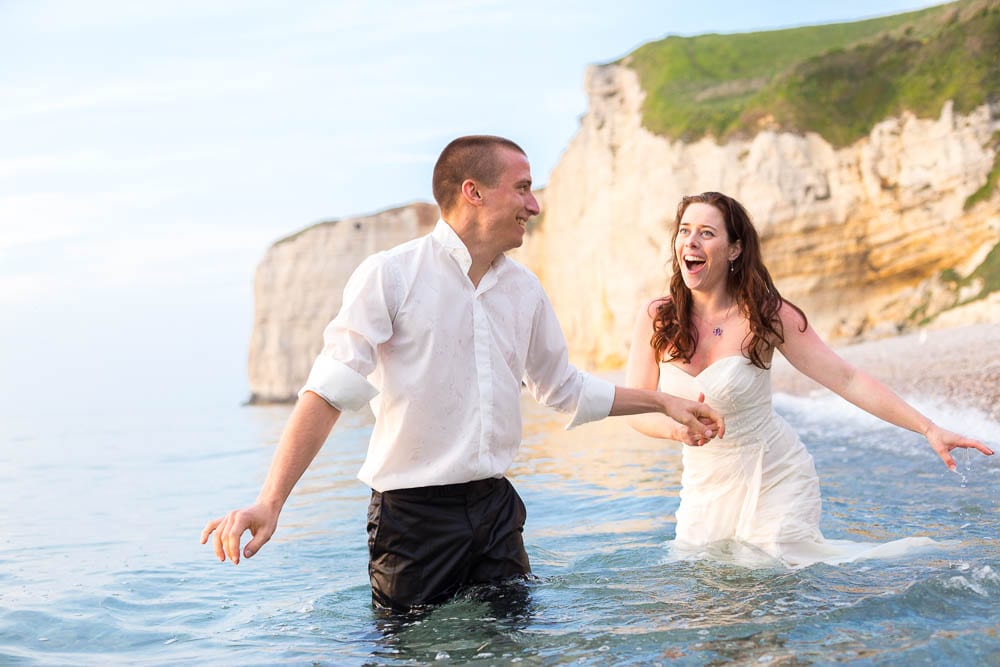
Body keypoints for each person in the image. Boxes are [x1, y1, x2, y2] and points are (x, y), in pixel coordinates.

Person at [201, 136, 725, 610]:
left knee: (516, 651)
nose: (534, 204)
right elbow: (330, 390)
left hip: (496, 512)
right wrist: (270, 502)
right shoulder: (392, 275)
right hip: (411, 521)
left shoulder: (525, 291)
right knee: (414, 654)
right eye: (522, 188)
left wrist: (661, 401)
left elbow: (563, 389)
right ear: (473, 192)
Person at [625, 191, 993, 567]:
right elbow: (636, 408)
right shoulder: (658, 317)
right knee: (705, 594)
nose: (691, 241)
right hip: (705, 485)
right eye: (685, 230)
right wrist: (676, 431)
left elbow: (846, 378)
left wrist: (928, 428)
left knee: (764, 575)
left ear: (734, 250)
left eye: (706, 233)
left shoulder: (765, 314)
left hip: (774, 473)